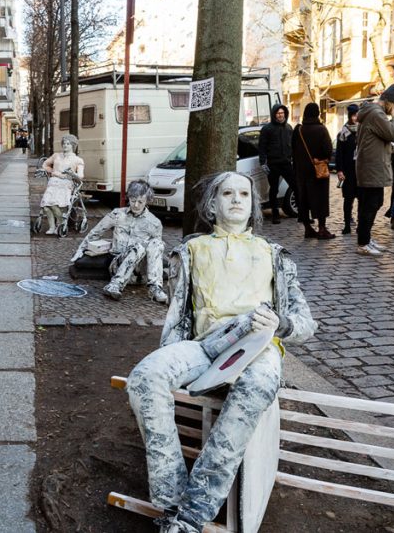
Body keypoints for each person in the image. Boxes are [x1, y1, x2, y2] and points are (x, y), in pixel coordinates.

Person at [126, 172, 316, 533]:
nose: (236, 200)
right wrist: (173, 362)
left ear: (253, 203)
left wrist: (279, 324)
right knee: (146, 376)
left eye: (244, 193)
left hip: (260, 349)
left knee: (251, 394)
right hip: (204, 347)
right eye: (227, 193)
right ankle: (171, 500)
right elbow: (177, 317)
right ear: (212, 204)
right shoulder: (191, 251)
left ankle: (194, 513)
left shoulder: (274, 255)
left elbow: (305, 322)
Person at [71, 180, 167, 303]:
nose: (136, 205)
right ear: (129, 199)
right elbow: (95, 233)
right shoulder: (117, 214)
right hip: (117, 264)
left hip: (139, 271)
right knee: (140, 247)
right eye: (133, 200)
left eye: (140, 202)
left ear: (147, 201)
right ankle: (115, 284)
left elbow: (156, 252)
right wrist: (79, 252)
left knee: (157, 243)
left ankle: (155, 288)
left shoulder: (154, 222)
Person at [354, 84, 394, 256]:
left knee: (371, 204)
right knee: (370, 205)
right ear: (390, 103)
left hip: (371, 166)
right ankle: (363, 243)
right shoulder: (376, 113)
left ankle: (366, 239)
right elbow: (392, 133)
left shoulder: (372, 113)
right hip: (372, 168)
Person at [291, 103, 334, 239]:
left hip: (302, 172)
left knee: (303, 200)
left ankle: (308, 229)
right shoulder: (321, 130)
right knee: (320, 199)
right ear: (317, 114)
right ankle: (322, 229)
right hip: (318, 172)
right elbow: (328, 150)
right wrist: (322, 158)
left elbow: (292, 150)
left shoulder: (298, 130)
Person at [257, 104, 296, 224]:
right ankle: (275, 214)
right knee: (274, 190)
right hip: (273, 164)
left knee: (296, 187)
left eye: (282, 113)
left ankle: (302, 214)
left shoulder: (289, 128)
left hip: (286, 163)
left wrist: (294, 158)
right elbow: (262, 147)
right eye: (278, 113)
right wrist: (263, 162)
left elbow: (293, 146)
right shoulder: (267, 129)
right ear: (274, 114)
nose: (280, 115)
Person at [39, 134, 85, 234]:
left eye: (68, 143)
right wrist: (52, 172)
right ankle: (52, 227)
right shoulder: (56, 155)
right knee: (46, 206)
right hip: (53, 183)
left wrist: (73, 174)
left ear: (73, 145)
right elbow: (45, 164)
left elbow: (81, 176)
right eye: (64, 143)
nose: (65, 145)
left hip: (65, 184)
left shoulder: (78, 160)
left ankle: (60, 225)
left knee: (54, 205)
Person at [335, 104, 360, 234]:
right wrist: (339, 170)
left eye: (357, 115)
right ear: (350, 116)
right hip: (348, 171)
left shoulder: (364, 131)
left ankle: (361, 225)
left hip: (361, 171)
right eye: (353, 115)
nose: (355, 118)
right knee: (348, 199)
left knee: (362, 199)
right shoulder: (343, 133)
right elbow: (339, 154)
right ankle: (347, 224)